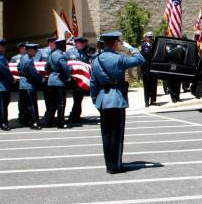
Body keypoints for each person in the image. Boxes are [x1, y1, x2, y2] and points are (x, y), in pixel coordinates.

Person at [90, 31, 145, 174]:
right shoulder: (119, 58)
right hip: (117, 99)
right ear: (115, 43)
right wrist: (130, 48)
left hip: (102, 100)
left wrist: (95, 100)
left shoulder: (96, 60)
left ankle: (109, 165)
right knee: (117, 135)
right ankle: (116, 165)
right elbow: (140, 59)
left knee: (106, 135)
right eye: (118, 42)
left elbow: (93, 83)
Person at [44, 38, 71, 128]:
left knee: (52, 103)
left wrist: (53, 72)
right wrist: (68, 76)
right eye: (64, 45)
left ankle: (49, 121)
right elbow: (65, 68)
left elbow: (46, 68)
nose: (65, 47)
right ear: (61, 46)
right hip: (59, 81)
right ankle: (60, 122)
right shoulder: (60, 56)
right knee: (61, 103)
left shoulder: (51, 55)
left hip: (51, 81)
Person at [18, 43, 43, 130]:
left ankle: (25, 120)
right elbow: (33, 73)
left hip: (23, 84)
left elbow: (18, 68)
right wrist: (41, 79)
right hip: (29, 84)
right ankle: (35, 122)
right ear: (30, 50)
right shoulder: (29, 60)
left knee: (25, 104)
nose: (36, 52)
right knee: (32, 105)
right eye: (35, 50)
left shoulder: (23, 57)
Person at [65, 37, 91, 123]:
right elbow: (66, 64)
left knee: (79, 98)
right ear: (76, 43)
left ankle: (75, 115)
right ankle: (73, 116)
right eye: (81, 43)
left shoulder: (85, 52)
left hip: (82, 78)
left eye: (83, 43)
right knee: (77, 98)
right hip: (74, 79)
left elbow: (87, 63)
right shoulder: (69, 52)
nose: (83, 45)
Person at [140, 32, 157, 107]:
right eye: (149, 37)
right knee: (146, 86)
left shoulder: (155, 46)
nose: (150, 38)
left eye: (151, 37)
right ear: (145, 38)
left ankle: (153, 100)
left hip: (153, 69)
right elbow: (141, 58)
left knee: (153, 85)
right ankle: (146, 101)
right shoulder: (142, 46)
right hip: (146, 69)